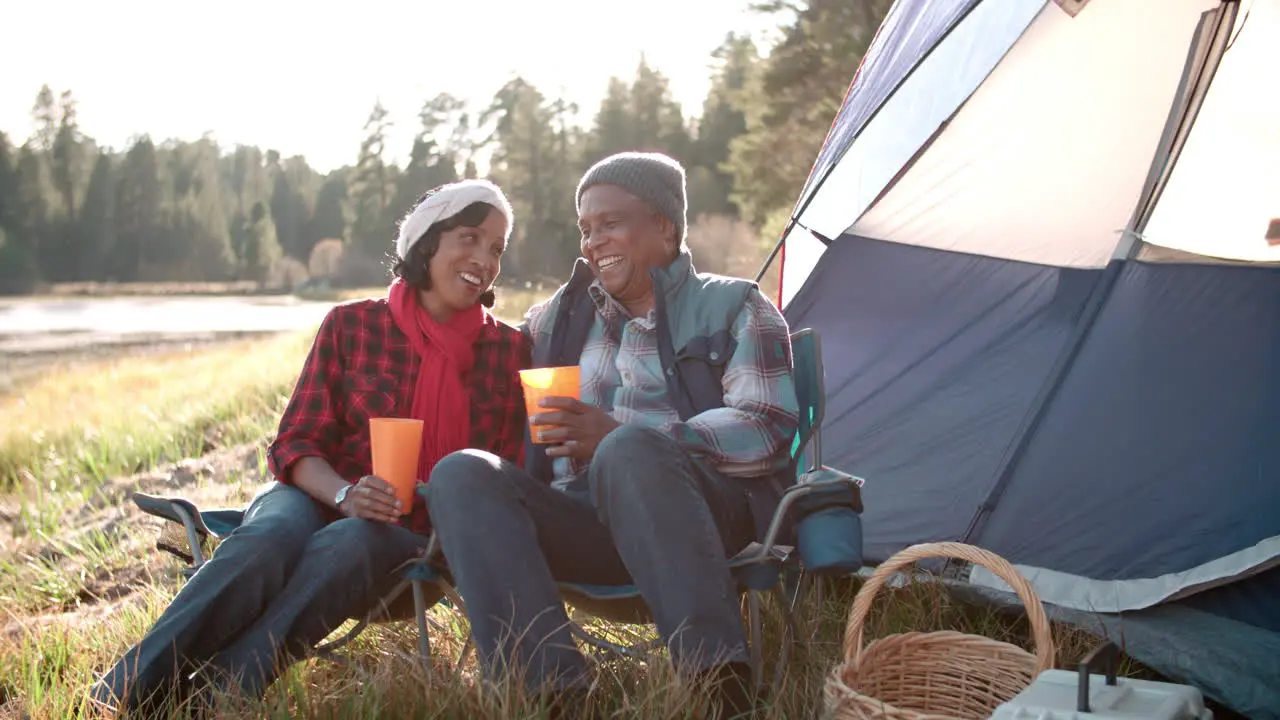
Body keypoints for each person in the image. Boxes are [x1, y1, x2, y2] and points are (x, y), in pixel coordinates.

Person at [90, 179, 531, 714]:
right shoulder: (353, 325)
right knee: (268, 537)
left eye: (496, 249)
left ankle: (216, 698)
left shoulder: (508, 352)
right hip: (315, 492)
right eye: (470, 237)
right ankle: (116, 697)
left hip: (413, 536)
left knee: (348, 544)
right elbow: (296, 443)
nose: (483, 258)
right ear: (427, 242)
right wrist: (345, 494)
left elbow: (508, 473)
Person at [425, 152, 799, 719]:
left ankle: (719, 688)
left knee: (628, 449)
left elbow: (767, 425)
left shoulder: (736, 306)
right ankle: (555, 694)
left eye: (611, 223)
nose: (594, 241)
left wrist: (629, 436)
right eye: (586, 229)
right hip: (583, 522)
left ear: (666, 226)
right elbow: (462, 332)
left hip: (701, 519)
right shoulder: (556, 318)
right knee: (460, 472)